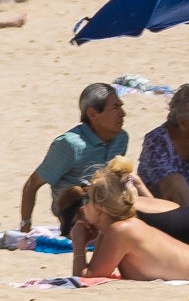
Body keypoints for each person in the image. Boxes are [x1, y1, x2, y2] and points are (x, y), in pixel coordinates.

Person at [19, 83, 127, 234]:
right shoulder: (70, 145)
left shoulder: (120, 138)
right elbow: (32, 184)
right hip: (76, 216)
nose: (123, 113)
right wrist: (25, 225)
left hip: (106, 209)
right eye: (115, 108)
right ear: (93, 114)